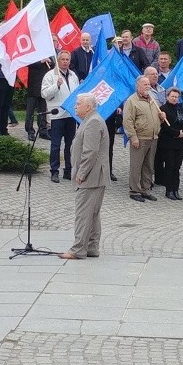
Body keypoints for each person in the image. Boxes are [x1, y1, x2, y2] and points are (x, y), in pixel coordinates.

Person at [60, 94, 111, 260]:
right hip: (94, 175)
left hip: (91, 176)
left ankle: (78, 249)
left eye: (78, 104)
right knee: (92, 213)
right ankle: (91, 247)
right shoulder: (90, 120)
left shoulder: (93, 122)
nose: (75, 107)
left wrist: (81, 173)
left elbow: (90, 151)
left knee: (84, 213)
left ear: (88, 107)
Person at [122, 75, 165, 202]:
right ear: (138, 86)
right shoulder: (132, 100)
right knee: (137, 165)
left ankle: (145, 189)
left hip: (153, 137)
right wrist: (133, 137)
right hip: (140, 138)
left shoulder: (152, 99)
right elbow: (128, 121)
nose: (148, 86)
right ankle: (134, 190)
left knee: (148, 165)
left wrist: (161, 117)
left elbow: (155, 117)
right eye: (145, 84)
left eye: (148, 84)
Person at [41, 50, 80, 183]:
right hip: (57, 115)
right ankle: (54, 171)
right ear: (58, 60)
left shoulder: (73, 75)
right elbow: (45, 94)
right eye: (62, 59)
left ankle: (68, 170)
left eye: (67, 59)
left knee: (70, 145)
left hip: (70, 114)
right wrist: (56, 86)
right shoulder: (50, 75)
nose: (65, 62)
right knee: (56, 145)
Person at [156, 87, 183, 200]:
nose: (174, 98)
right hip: (168, 142)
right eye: (172, 96)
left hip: (180, 143)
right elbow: (164, 127)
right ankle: (169, 190)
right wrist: (176, 133)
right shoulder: (162, 109)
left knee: (177, 167)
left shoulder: (180, 108)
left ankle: (176, 190)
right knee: (169, 166)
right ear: (168, 97)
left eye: (176, 97)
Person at [24, 56, 53, 141]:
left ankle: (43, 131)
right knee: (30, 111)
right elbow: (28, 63)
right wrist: (41, 61)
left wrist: (50, 61)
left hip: (44, 86)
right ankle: (30, 131)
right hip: (33, 86)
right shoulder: (34, 53)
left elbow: (54, 65)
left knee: (43, 110)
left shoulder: (48, 52)